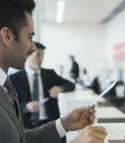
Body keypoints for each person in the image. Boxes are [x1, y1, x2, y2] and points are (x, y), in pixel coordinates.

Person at [0, 0, 107, 142]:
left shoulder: (6, 86)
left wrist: (64, 124)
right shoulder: (10, 83)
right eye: (30, 37)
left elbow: (19, 140)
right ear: (7, 36)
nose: (32, 48)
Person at [10, 42, 75, 129]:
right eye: (38, 55)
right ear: (27, 56)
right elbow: (9, 104)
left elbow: (71, 85)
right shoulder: (14, 78)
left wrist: (60, 88)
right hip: (26, 126)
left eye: (42, 55)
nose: (41, 59)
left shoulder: (50, 74)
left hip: (50, 124)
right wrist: (25, 107)